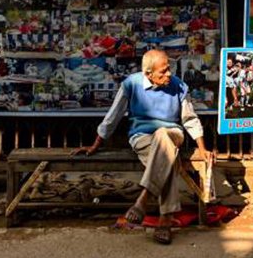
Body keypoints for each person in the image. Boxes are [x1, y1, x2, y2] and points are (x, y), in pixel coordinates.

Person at [72, 50, 213, 245]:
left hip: (172, 134)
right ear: (148, 74)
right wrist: (96, 144)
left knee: (163, 135)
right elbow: (113, 116)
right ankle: (165, 220)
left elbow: (189, 119)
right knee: (168, 158)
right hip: (142, 137)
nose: (169, 74)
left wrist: (202, 147)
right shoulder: (131, 84)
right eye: (163, 72)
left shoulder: (179, 86)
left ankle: (144, 198)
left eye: (169, 69)